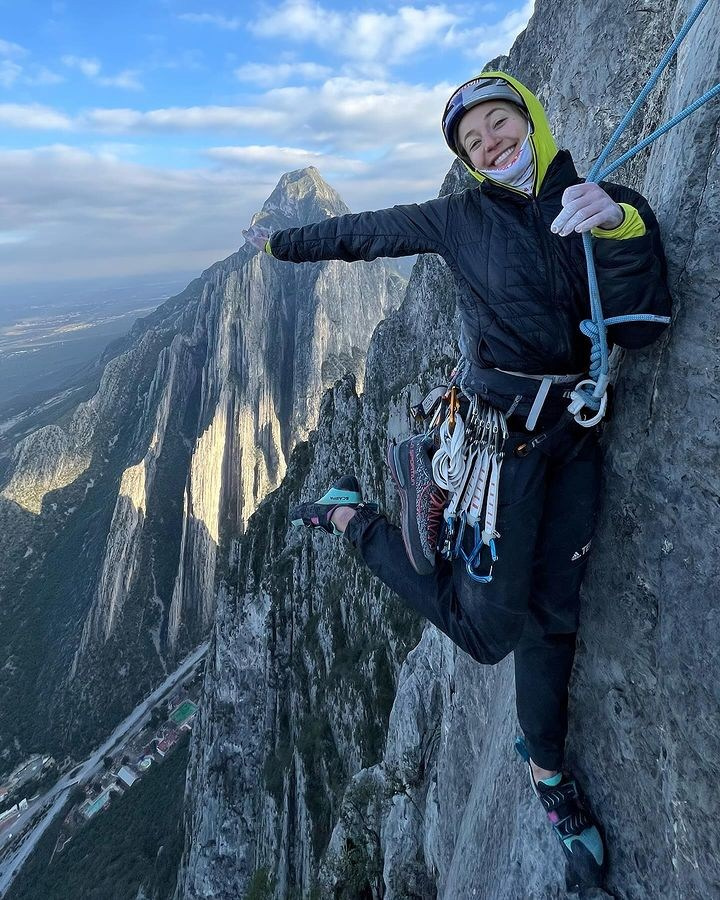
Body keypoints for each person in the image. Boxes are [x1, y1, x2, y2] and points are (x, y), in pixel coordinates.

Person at [242, 72, 671, 888]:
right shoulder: (458, 218)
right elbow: (367, 233)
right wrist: (279, 243)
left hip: (575, 438)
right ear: (467, 164)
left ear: (532, 121)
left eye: (500, 124)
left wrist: (619, 227)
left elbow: (646, 326)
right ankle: (354, 520)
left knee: (555, 615)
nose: (491, 144)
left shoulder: (597, 201)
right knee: (485, 633)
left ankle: (547, 772)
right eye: (474, 143)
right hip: (499, 440)